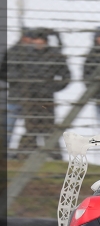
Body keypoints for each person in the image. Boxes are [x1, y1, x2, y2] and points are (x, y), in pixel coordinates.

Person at [1, 28, 71, 159]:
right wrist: (22, 86)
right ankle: (25, 156)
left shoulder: (55, 55)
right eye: (35, 40)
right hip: (28, 98)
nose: (37, 42)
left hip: (46, 100)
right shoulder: (24, 55)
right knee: (30, 128)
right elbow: (12, 73)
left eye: (40, 40)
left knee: (48, 128)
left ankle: (55, 158)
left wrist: (51, 87)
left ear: (45, 41)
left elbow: (66, 76)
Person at [2, 29, 33, 147]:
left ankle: (24, 151)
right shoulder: (12, 52)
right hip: (15, 96)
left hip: (31, 98)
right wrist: (16, 78)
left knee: (31, 128)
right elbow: (3, 72)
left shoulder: (34, 53)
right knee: (8, 127)